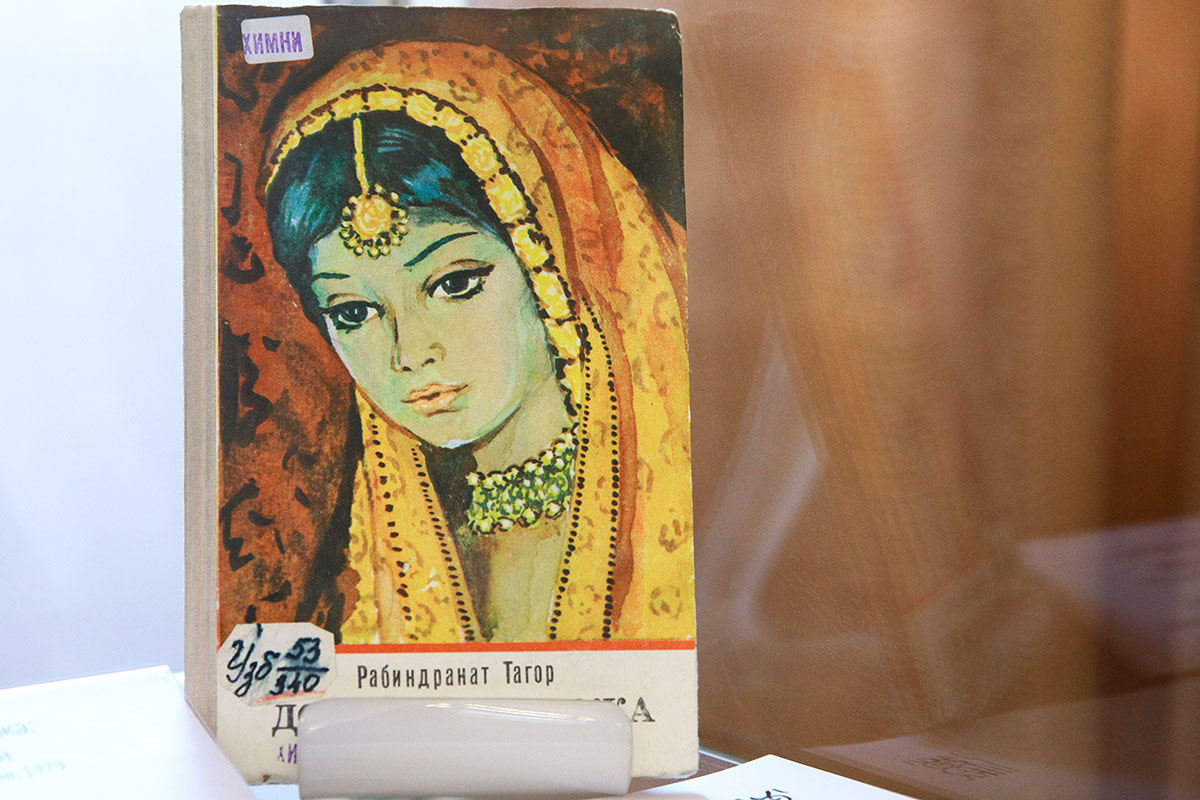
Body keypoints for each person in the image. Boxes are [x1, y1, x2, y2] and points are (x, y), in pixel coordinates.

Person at [259, 41, 693, 644]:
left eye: (455, 284)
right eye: (355, 312)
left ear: (551, 267)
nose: (408, 354)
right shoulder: (373, 557)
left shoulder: (681, 494)